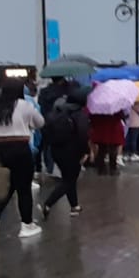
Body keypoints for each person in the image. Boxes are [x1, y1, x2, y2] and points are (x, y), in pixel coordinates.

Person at [0, 78, 45, 238]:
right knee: (23, 188)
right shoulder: (25, 106)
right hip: (20, 149)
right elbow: (40, 123)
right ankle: (27, 225)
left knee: (5, 185)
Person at [41, 86, 90, 218]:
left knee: (69, 178)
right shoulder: (79, 114)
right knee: (69, 180)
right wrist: (86, 151)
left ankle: (74, 206)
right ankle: (48, 203)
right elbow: (83, 135)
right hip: (73, 151)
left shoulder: (57, 111)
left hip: (56, 150)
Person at [88, 109, 125, 175]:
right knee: (113, 149)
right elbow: (120, 116)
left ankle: (101, 169)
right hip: (113, 130)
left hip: (101, 130)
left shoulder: (97, 107)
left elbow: (91, 117)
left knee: (101, 150)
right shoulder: (115, 107)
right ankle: (113, 169)